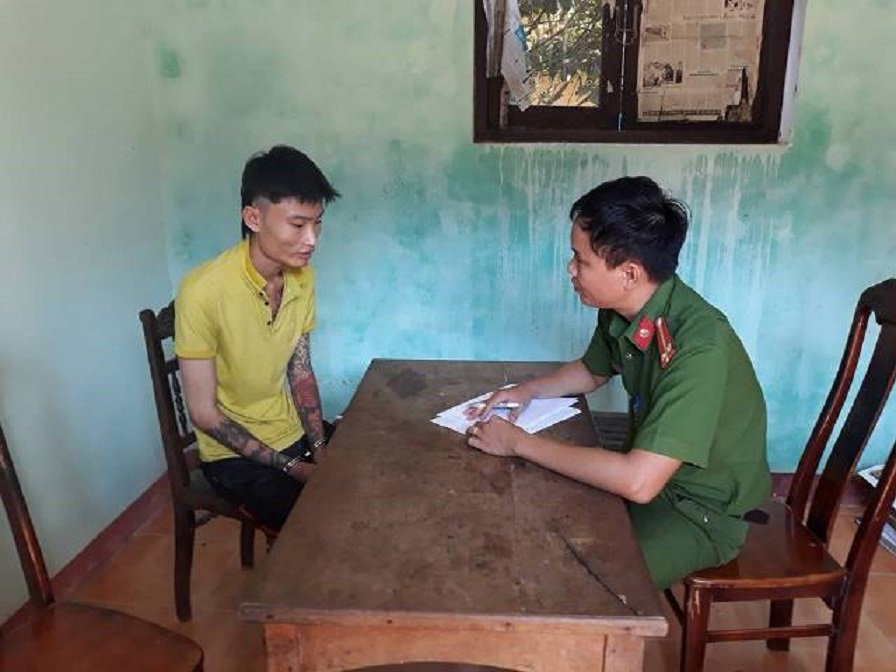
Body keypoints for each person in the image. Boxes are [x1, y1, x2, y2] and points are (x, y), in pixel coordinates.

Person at [466, 176, 771, 589]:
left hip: (697, 512)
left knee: (577, 584)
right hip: (647, 477)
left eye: (581, 261)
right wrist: (527, 391)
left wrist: (518, 442)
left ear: (629, 273)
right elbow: (592, 371)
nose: (570, 270)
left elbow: (638, 482)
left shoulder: (699, 347)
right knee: (528, 522)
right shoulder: (625, 308)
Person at [175, 145, 340, 531]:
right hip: (232, 457)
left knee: (369, 472)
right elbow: (204, 414)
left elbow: (301, 373)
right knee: (317, 528)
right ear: (253, 218)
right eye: (297, 225)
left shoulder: (303, 278)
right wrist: (295, 468)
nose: (312, 239)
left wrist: (319, 449)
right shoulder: (202, 291)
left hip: (291, 431)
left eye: (317, 224)